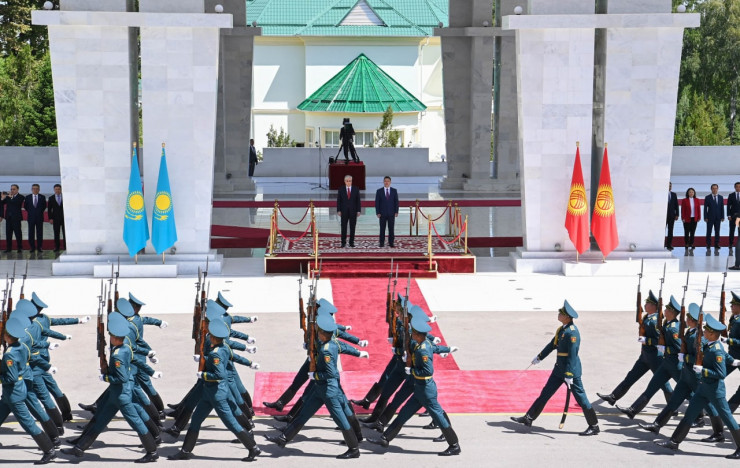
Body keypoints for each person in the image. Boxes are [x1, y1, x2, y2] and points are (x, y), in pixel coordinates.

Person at [61, 311, 159, 463]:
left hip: (121, 396)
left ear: (115, 338)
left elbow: (121, 378)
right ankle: (79, 448)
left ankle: (152, 452)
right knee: (100, 420)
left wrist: (105, 377)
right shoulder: (125, 348)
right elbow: (136, 360)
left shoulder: (118, 355)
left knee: (136, 422)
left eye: (111, 336)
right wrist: (151, 372)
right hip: (116, 394)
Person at [168, 316, 260, 462]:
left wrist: (204, 374)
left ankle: (253, 448)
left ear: (214, 338)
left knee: (231, 423)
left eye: (210, 335)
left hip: (217, 395)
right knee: (196, 420)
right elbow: (235, 357)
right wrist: (249, 362)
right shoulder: (224, 347)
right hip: (209, 393)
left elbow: (219, 375)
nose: (209, 337)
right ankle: (185, 451)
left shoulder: (216, 353)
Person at [368, 314, 461, 455]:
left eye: (414, 333)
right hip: (419, 388)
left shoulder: (423, 349)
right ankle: (385, 438)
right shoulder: (421, 344)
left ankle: (454, 445)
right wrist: (447, 349)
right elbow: (436, 349)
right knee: (403, 414)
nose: (412, 335)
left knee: (438, 417)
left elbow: (428, 371)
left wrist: (411, 370)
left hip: (426, 390)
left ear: (419, 335)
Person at [655, 313, 740, 459]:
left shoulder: (716, 349)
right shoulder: (711, 344)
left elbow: (720, 373)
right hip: (703, 389)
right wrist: (734, 361)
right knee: (689, 414)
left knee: (727, 418)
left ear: (712, 334)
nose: (704, 332)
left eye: (706, 331)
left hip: (715, 391)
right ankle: (674, 441)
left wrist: (703, 370)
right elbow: (725, 356)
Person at [510, 300, 600, 436]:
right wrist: (540, 357)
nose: (559, 314)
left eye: (561, 313)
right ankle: (529, 417)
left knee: (581, 399)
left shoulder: (572, 333)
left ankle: (594, 426)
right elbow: (552, 345)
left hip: (571, 372)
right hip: (559, 370)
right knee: (545, 393)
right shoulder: (562, 330)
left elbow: (573, 355)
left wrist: (569, 374)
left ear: (567, 317)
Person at [0, 316, 58, 464]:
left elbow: (11, 377)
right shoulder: (21, 346)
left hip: (14, 393)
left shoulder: (9, 354)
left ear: (7, 337)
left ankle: (49, 450)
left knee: (28, 423)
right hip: (15, 391)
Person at [616, 296, 682, 419]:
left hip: (671, 363)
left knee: (688, 391)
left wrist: (660, 346)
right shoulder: (666, 324)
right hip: (663, 362)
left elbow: (679, 348)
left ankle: (698, 415)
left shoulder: (672, 327)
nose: (664, 311)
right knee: (651, 388)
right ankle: (632, 410)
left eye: (667, 309)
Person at [337, 175, 361, 248]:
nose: (348, 182)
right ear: (344, 181)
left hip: (353, 211)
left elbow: (358, 201)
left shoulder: (356, 189)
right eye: (347, 181)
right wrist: (339, 210)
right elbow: (339, 201)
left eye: (350, 181)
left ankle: (351, 242)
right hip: (344, 211)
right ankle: (343, 242)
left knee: (352, 227)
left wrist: (358, 210)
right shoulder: (341, 189)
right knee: (343, 227)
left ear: (351, 181)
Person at [375, 176, 399, 248]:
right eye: (385, 181)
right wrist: (378, 212)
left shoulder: (394, 191)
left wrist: (396, 211)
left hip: (391, 213)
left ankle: (391, 242)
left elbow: (396, 202)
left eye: (388, 181)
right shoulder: (379, 191)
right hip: (382, 214)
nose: (386, 182)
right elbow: (377, 203)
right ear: (383, 182)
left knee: (391, 229)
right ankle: (381, 243)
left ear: (390, 182)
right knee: (382, 229)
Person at [1, 184, 25, 253]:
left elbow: (16, 203)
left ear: (17, 189)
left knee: (18, 233)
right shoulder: (8, 197)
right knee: (8, 234)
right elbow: (2, 203)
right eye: (11, 189)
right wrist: (2, 198)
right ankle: (8, 248)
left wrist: (11, 197)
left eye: (14, 189)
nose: (12, 190)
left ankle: (19, 248)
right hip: (8, 218)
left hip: (16, 218)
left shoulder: (21, 197)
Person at [24, 183, 47, 254]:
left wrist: (38, 212)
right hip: (31, 218)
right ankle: (32, 247)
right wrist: (32, 212)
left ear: (39, 190)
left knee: (39, 233)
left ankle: (39, 247)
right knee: (31, 233)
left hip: (39, 217)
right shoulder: (27, 197)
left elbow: (44, 207)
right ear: (31, 189)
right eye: (34, 188)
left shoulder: (42, 197)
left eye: (37, 189)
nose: (35, 190)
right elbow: (26, 207)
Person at [704, 183, 724, 256]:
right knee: (709, 231)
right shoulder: (707, 197)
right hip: (709, 217)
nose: (714, 190)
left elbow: (722, 208)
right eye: (713, 188)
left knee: (717, 231)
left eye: (716, 188)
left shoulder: (721, 197)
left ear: (717, 189)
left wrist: (722, 216)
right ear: (711, 189)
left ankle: (716, 244)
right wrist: (705, 217)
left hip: (718, 217)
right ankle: (708, 244)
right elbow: (705, 208)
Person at [681, 187, 700, 256]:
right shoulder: (684, 200)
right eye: (690, 192)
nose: (691, 193)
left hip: (694, 218)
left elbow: (698, 209)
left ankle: (691, 243)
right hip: (687, 218)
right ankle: (686, 243)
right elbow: (682, 210)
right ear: (688, 193)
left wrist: (699, 217)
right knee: (686, 232)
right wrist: (683, 218)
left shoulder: (697, 200)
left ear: (694, 193)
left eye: (692, 192)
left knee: (692, 232)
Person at [47, 184, 64, 253]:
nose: (57, 190)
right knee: (56, 233)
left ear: (61, 189)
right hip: (55, 218)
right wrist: (50, 218)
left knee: (65, 233)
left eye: (59, 189)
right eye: (56, 189)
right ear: (54, 190)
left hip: (64, 219)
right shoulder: (51, 198)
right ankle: (57, 247)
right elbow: (49, 209)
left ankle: (66, 246)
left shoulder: (65, 196)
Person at [666, 182, 679, 251]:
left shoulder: (674, 194)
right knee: (662, 231)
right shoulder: (661, 194)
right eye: (668, 186)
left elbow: (676, 205)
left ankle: (669, 245)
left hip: (672, 215)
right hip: (663, 216)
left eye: (670, 186)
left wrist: (677, 214)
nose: (669, 187)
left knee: (670, 231)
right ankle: (661, 244)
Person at [729, 182, 740, 256]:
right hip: (733, 216)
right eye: (737, 187)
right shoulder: (731, 195)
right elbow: (728, 206)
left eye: (739, 187)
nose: (738, 188)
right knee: (732, 231)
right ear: (734, 187)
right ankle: (730, 244)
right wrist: (729, 215)